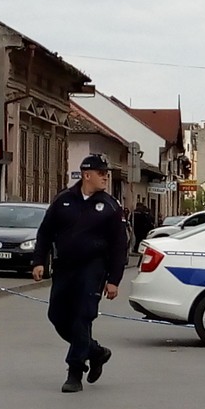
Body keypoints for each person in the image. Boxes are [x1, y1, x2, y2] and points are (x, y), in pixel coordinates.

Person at [32, 154, 128, 393]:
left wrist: (114, 280)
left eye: (106, 173)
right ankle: (95, 352)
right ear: (87, 175)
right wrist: (38, 261)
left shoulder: (109, 206)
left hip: (93, 268)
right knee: (57, 316)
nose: (106, 176)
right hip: (64, 267)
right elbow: (45, 233)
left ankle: (74, 372)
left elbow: (119, 245)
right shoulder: (63, 200)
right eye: (101, 173)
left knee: (82, 317)